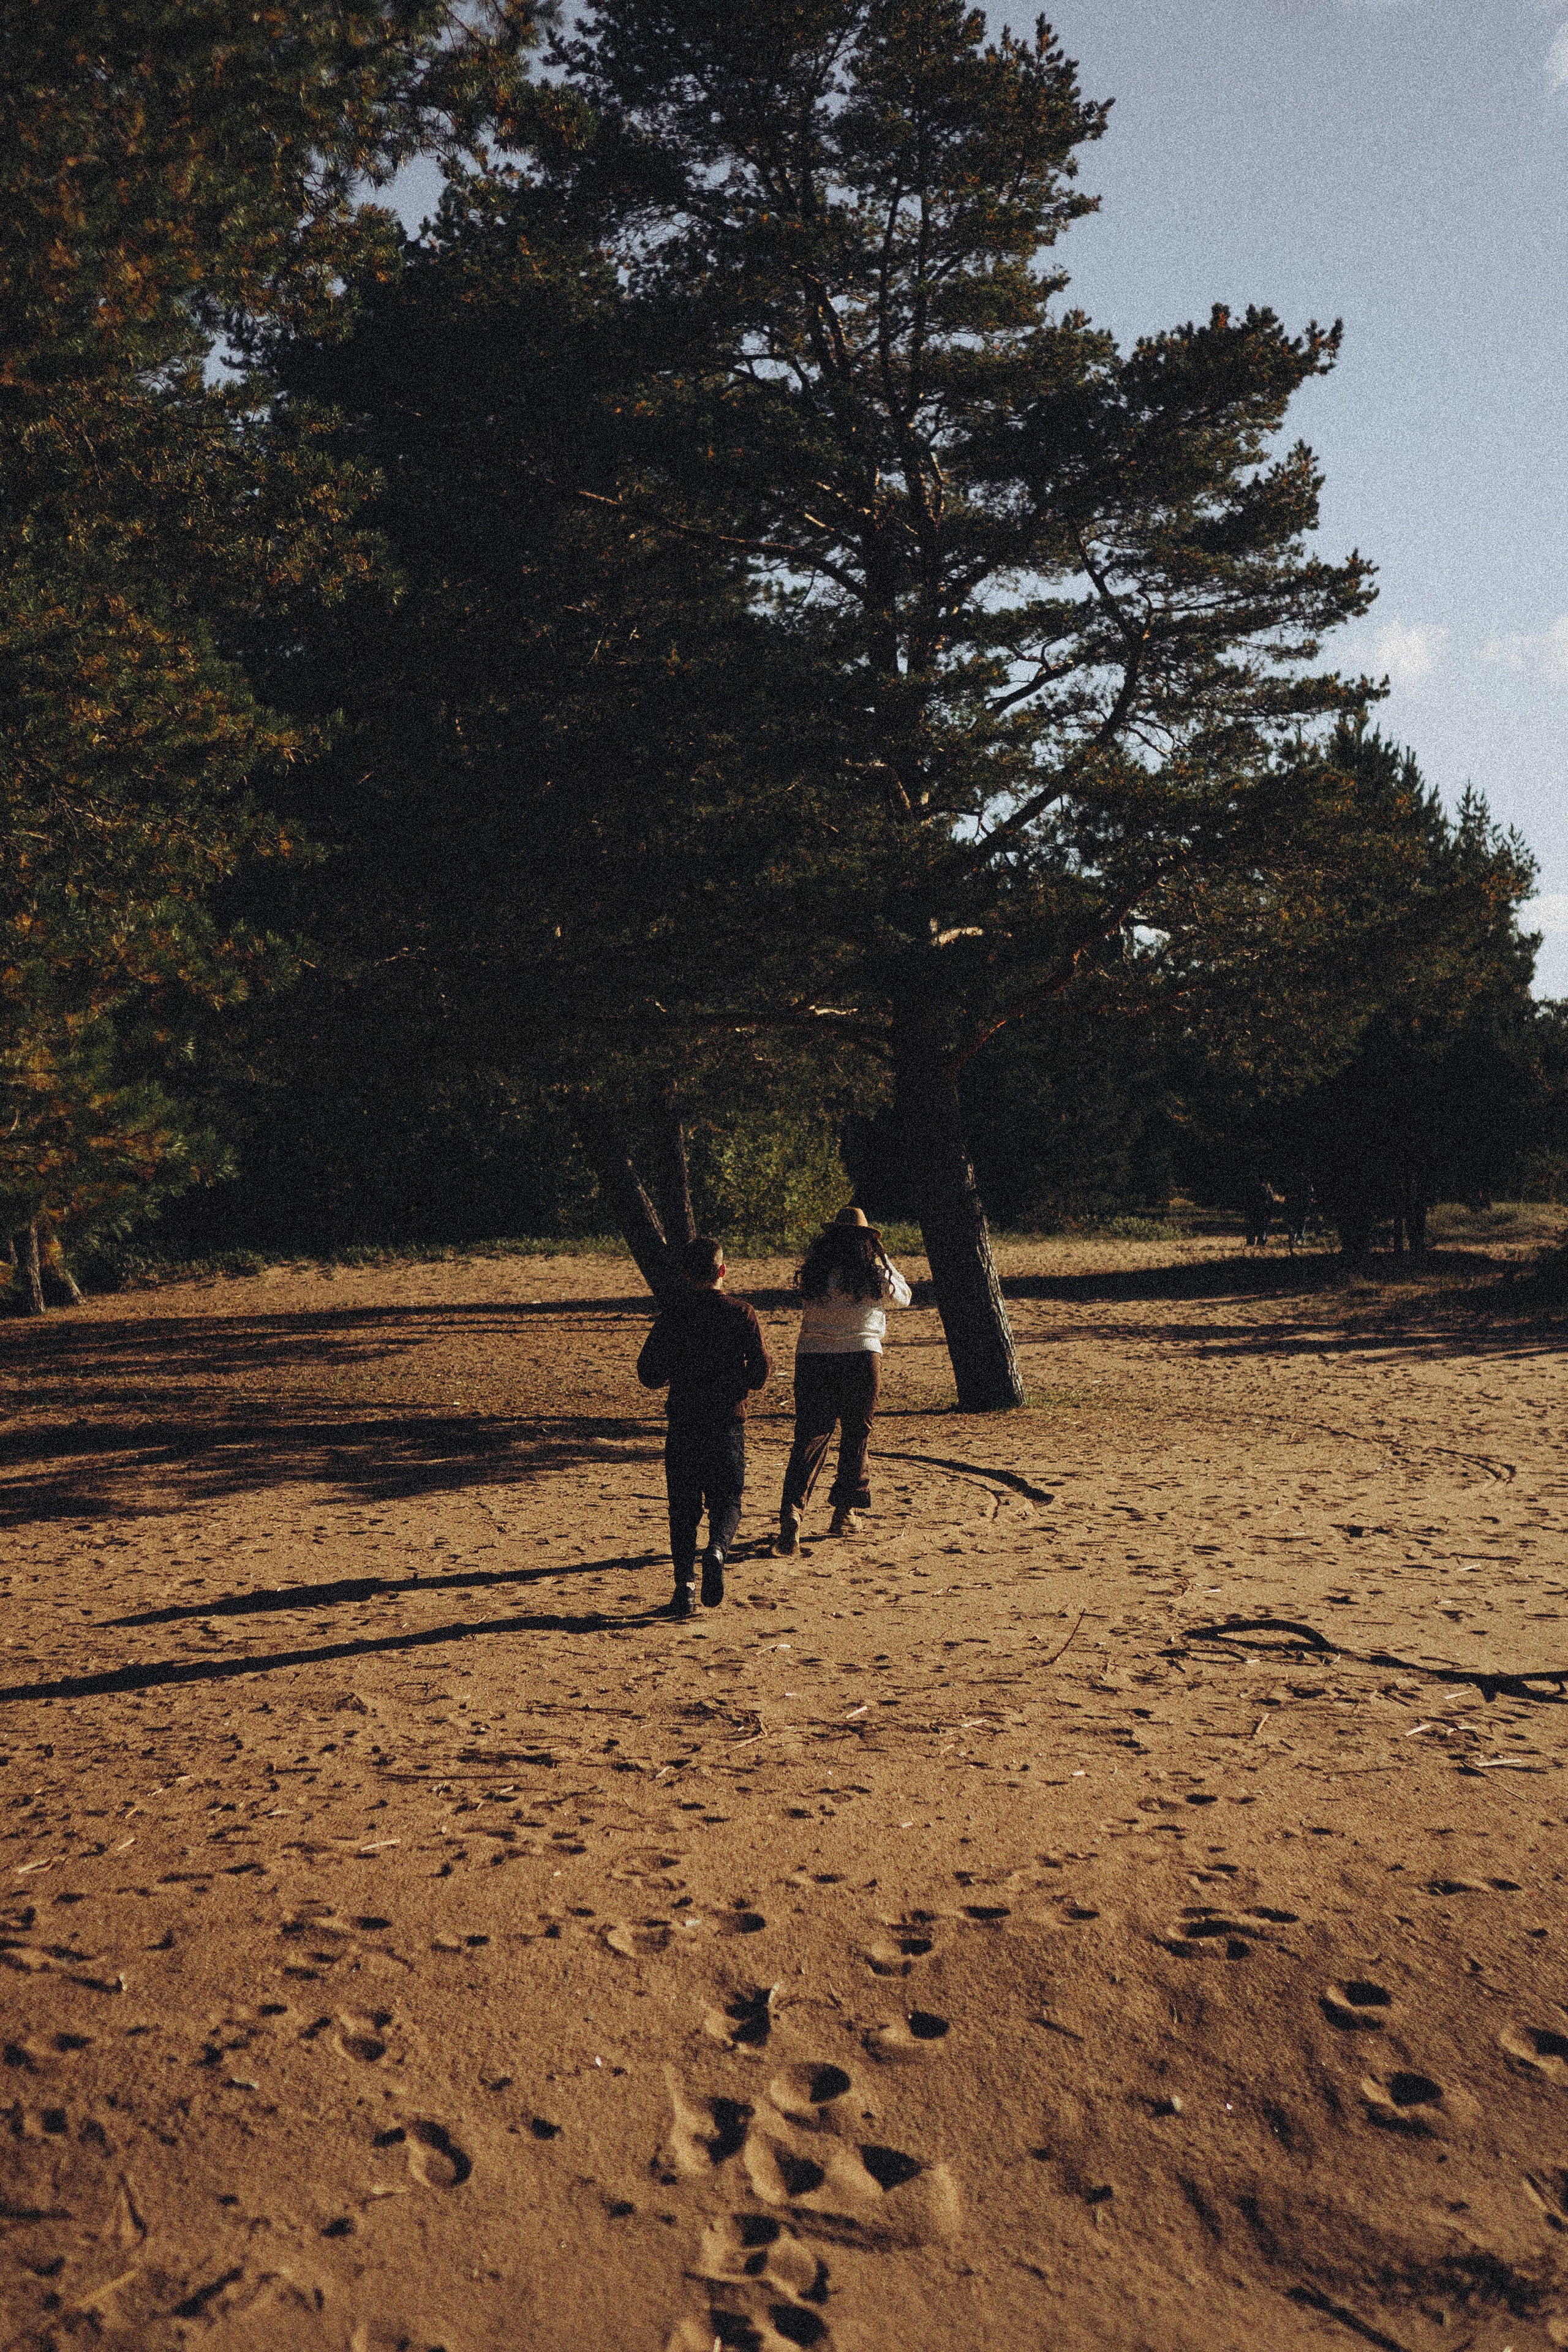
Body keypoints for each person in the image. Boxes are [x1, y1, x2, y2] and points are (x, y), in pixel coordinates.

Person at [636, 1234, 771, 1619]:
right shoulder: (742, 1313)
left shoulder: (674, 1314)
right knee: (727, 1500)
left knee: (683, 1507)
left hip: (684, 1421)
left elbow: (648, 1372)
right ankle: (717, 1550)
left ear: (685, 1273)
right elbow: (761, 1373)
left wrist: (675, 1372)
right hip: (727, 1422)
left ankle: (685, 1587)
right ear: (722, 1271)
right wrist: (739, 1381)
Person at [774, 1205, 911, 1553]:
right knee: (856, 1433)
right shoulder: (874, 1275)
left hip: (813, 1357)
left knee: (811, 1435)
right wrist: (884, 1259)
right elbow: (904, 1297)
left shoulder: (816, 1273)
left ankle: (793, 1509)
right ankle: (844, 1511)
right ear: (867, 1240)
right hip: (861, 1356)